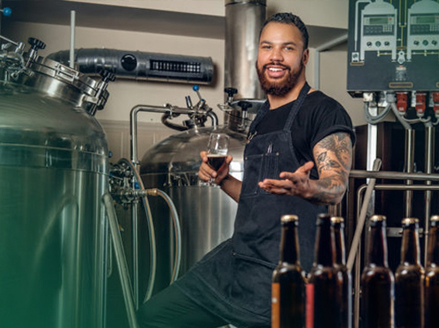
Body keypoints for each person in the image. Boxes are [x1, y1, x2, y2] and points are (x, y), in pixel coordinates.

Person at [138, 12, 354, 328]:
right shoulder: (263, 117)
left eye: (288, 48)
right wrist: (224, 180)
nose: (276, 57)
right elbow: (258, 200)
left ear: (304, 56)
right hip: (238, 258)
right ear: (259, 55)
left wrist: (308, 188)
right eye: (268, 47)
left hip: (285, 269)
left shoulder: (323, 110)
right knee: (156, 316)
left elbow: (336, 186)